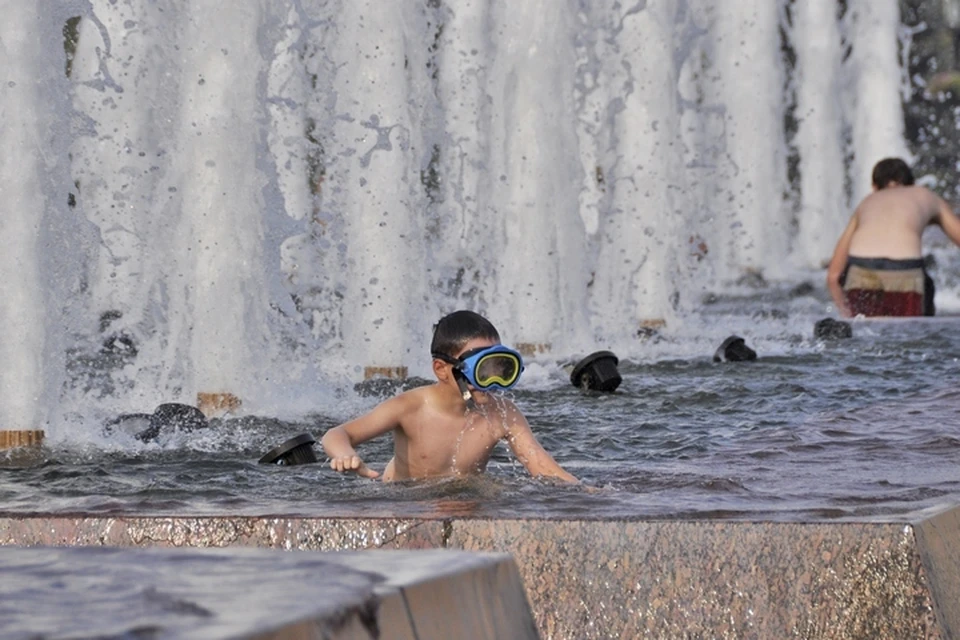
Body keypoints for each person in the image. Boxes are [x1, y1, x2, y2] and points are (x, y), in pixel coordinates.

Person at [321, 310, 578, 483]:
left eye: (499, 368)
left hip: (465, 504)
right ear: (442, 369)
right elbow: (337, 434)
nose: (492, 381)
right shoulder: (410, 408)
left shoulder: (502, 413)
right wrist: (343, 454)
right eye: (482, 369)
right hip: (406, 503)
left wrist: (593, 496)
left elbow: (544, 470)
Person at [826, 157, 960, 317]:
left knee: (864, 334)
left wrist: (846, 313)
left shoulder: (866, 202)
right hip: (906, 272)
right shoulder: (926, 195)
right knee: (912, 333)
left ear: (875, 187)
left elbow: (833, 276)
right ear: (913, 183)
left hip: (861, 271)